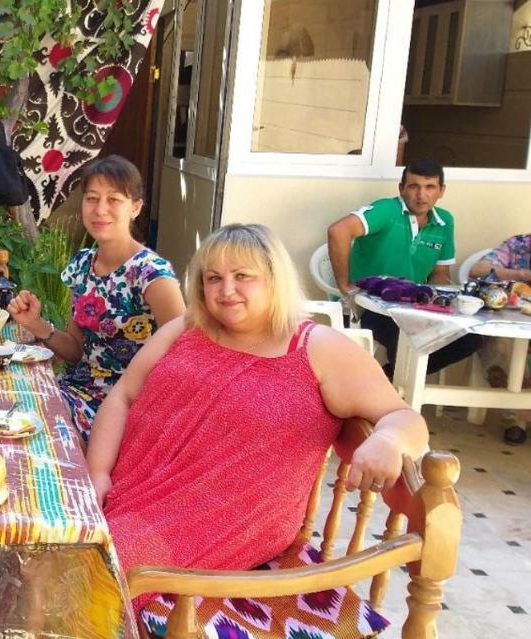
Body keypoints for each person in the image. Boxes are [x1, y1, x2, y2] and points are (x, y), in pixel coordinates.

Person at [86, 223, 428, 575]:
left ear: (274, 279)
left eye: (243, 276)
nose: (226, 290)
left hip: (230, 518)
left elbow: (406, 418)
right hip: (137, 494)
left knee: (92, 568)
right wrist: (98, 473)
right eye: (214, 278)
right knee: (50, 532)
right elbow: (124, 397)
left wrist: (388, 439)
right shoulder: (187, 329)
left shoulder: (317, 348)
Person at [6, 156, 184, 438]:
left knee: (38, 431)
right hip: (78, 388)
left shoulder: (151, 274)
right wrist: (37, 325)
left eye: (113, 199)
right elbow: (78, 351)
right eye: (92, 199)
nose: (100, 210)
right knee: (9, 408)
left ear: (135, 208)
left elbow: (184, 355)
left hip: (124, 405)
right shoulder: (83, 264)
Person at [326, 159, 481, 377]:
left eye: (430, 187)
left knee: (470, 340)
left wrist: (444, 301)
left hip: (413, 309)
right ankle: (394, 391)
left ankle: (388, 379)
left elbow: (439, 274)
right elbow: (338, 231)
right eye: (414, 186)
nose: (421, 195)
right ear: (401, 188)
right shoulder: (387, 210)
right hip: (368, 307)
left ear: (441, 191)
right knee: (406, 342)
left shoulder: (444, 221)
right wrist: (345, 285)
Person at [469, 232, 531, 444]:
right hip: (513, 322)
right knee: (499, 342)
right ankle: (517, 419)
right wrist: (522, 274)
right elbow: (477, 271)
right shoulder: (519, 244)